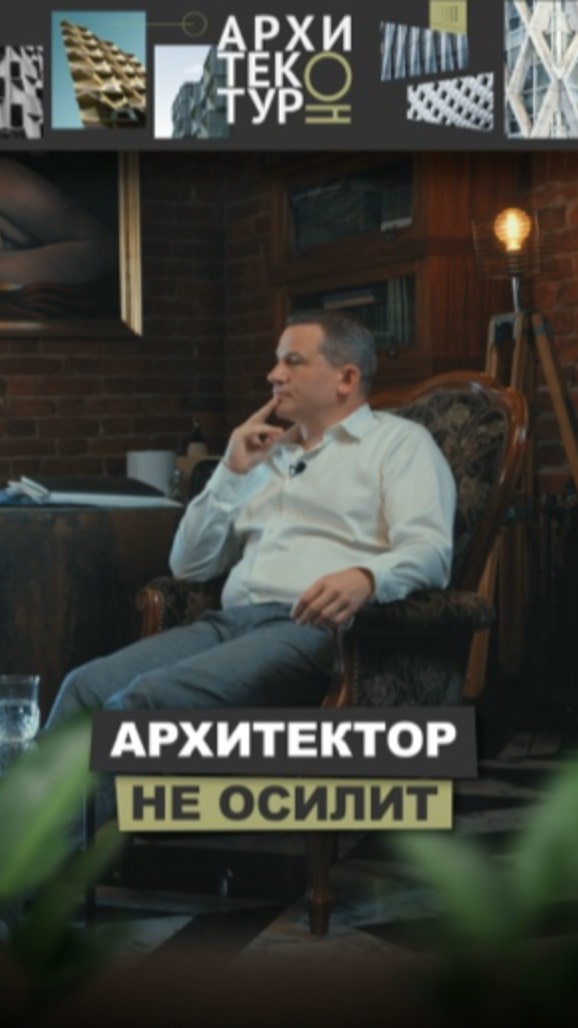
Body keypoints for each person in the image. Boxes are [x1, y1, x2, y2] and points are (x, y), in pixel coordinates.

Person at [45, 309, 456, 814]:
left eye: (293, 361)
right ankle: (29, 851)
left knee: (145, 704)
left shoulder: (400, 445)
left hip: (313, 632)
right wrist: (230, 471)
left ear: (346, 378)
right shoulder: (263, 457)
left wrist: (366, 576)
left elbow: (430, 551)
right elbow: (188, 567)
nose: (273, 374)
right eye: (276, 361)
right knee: (83, 689)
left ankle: (56, 856)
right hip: (227, 624)